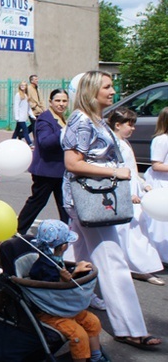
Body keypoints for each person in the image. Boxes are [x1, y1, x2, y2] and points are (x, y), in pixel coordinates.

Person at [62, 70, 161, 349]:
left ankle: (58, 307)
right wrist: (116, 173)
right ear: (92, 91)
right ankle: (130, 328)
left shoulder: (95, 120)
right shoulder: (82, 121)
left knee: (78, 259)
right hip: (89, 201)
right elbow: (72, 163)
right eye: (107, 86)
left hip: (89, 200)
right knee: (114, 262)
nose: (113, 91)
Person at [29, 220, 107, 362]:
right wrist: (72, 274)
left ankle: (96, 356)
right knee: (79, 335)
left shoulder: (54, 260)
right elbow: (50, 289)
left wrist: (74, 271)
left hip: (65, 307)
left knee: (93, 321)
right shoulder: (44, 266)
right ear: (64, 246)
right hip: (50, 312)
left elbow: (61, 276)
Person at [108, 108, 164, 285]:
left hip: (133, 191)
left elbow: (132, 169)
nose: (133, 129)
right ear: (118, 125)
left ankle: (138, 266)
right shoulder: (113, 144)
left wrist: (143, 184)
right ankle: (139, 268)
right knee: (133, 231)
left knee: (136, 230)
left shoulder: (124, 142)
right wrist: (129, 193)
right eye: (129, 125)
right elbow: (116, 171)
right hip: (124, 193)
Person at [17, 89, 70, 234]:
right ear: (50, 102)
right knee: (37, 202)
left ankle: (67, 233)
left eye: (64, 101)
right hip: (46, 171)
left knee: (65, 205)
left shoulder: (63, 118)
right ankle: (19, 230)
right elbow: (45, 142)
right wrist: (64, 131)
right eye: (58, 101)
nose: (61, 104)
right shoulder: (45, 119)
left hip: (61, 171)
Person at [145, 106, 168, 263]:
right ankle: (161, 255)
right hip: (162, 183)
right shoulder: (161, 140)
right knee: (161, 224)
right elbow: (157, 164)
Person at [11, 81, 34, 147]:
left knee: (17, 131)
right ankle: (29, 143)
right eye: (21, 85)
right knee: (25, 130)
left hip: (24, 117)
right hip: (20, 118)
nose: (23, 86)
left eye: (24, 85)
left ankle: (12, 141)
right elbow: (16, 106)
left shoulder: (26, 96)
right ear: (19, 86)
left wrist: (32, 115)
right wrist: (17, 116)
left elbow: (28, 108)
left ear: (26, 86)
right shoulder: (18, 95)